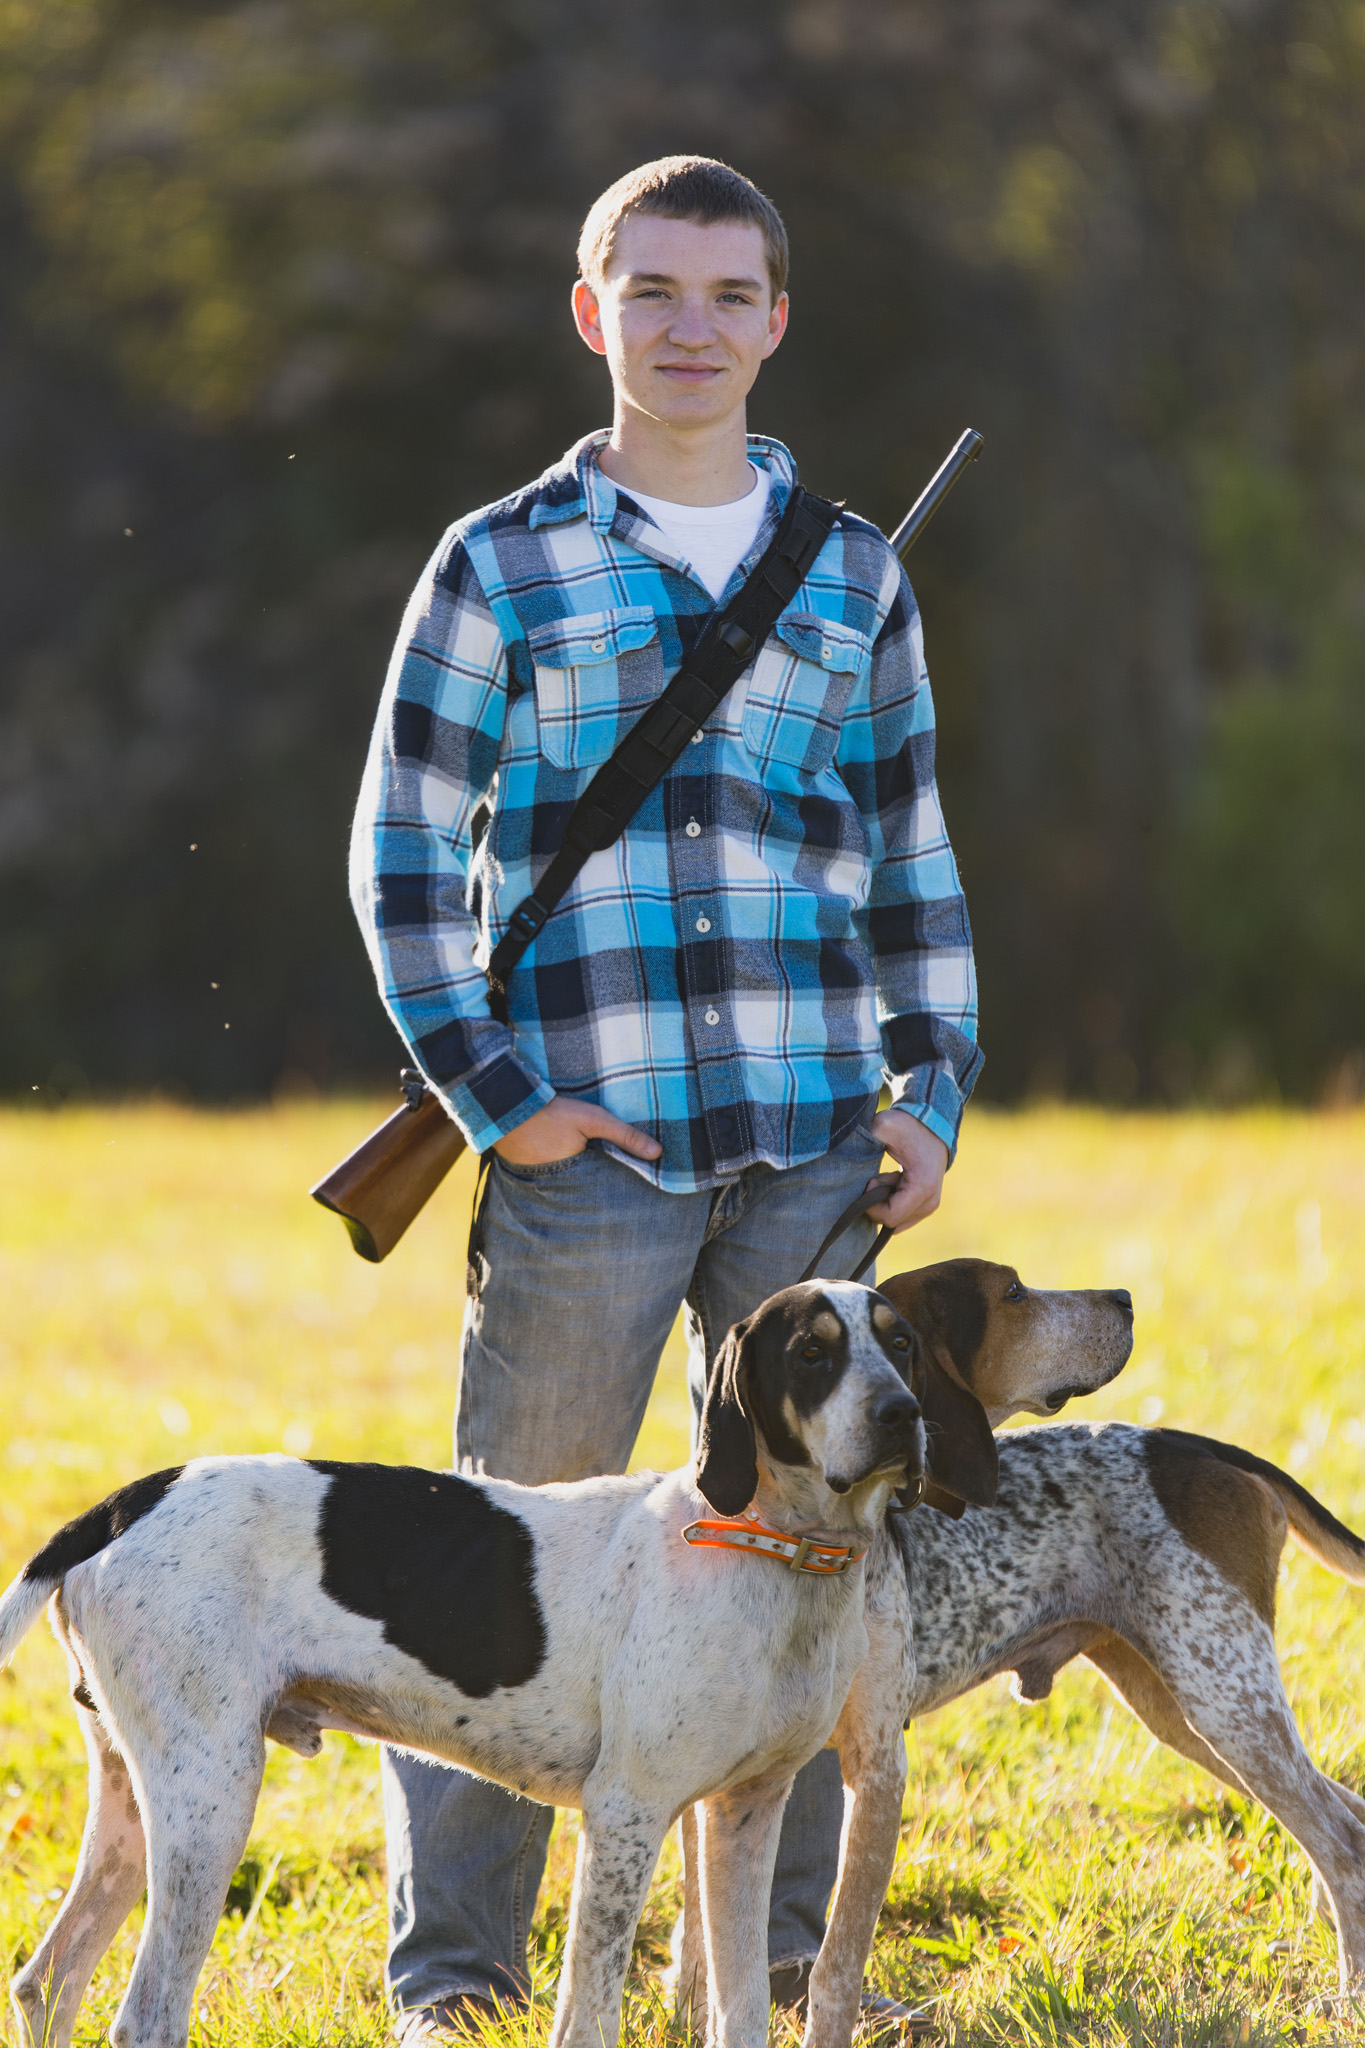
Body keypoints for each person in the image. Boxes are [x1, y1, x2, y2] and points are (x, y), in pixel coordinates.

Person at [350, 154, 982, 2044]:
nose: (690, 327)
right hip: (586, 1147)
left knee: (799, 1563)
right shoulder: (496, 560)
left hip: (809, 1143)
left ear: (777, 319)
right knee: (497, 1568)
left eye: (727, 294)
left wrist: (927, 1094)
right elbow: (396, 854)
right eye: (653, 293)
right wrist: (495, 1099)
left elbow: (909, 853)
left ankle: (777, 1970)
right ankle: (454, 1977)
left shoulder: (852, 572)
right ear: (590, 313)